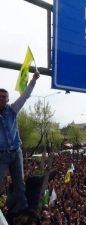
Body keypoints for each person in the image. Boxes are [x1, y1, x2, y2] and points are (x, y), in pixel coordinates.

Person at [0, 71, 39, 215]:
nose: (2, 99)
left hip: (16, 153)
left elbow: (25, 96)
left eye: (4, 97)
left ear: (8, 99)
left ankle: (23, 207)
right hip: (2, 155)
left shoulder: (12, 110)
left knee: (19, 182)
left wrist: (33, 80)